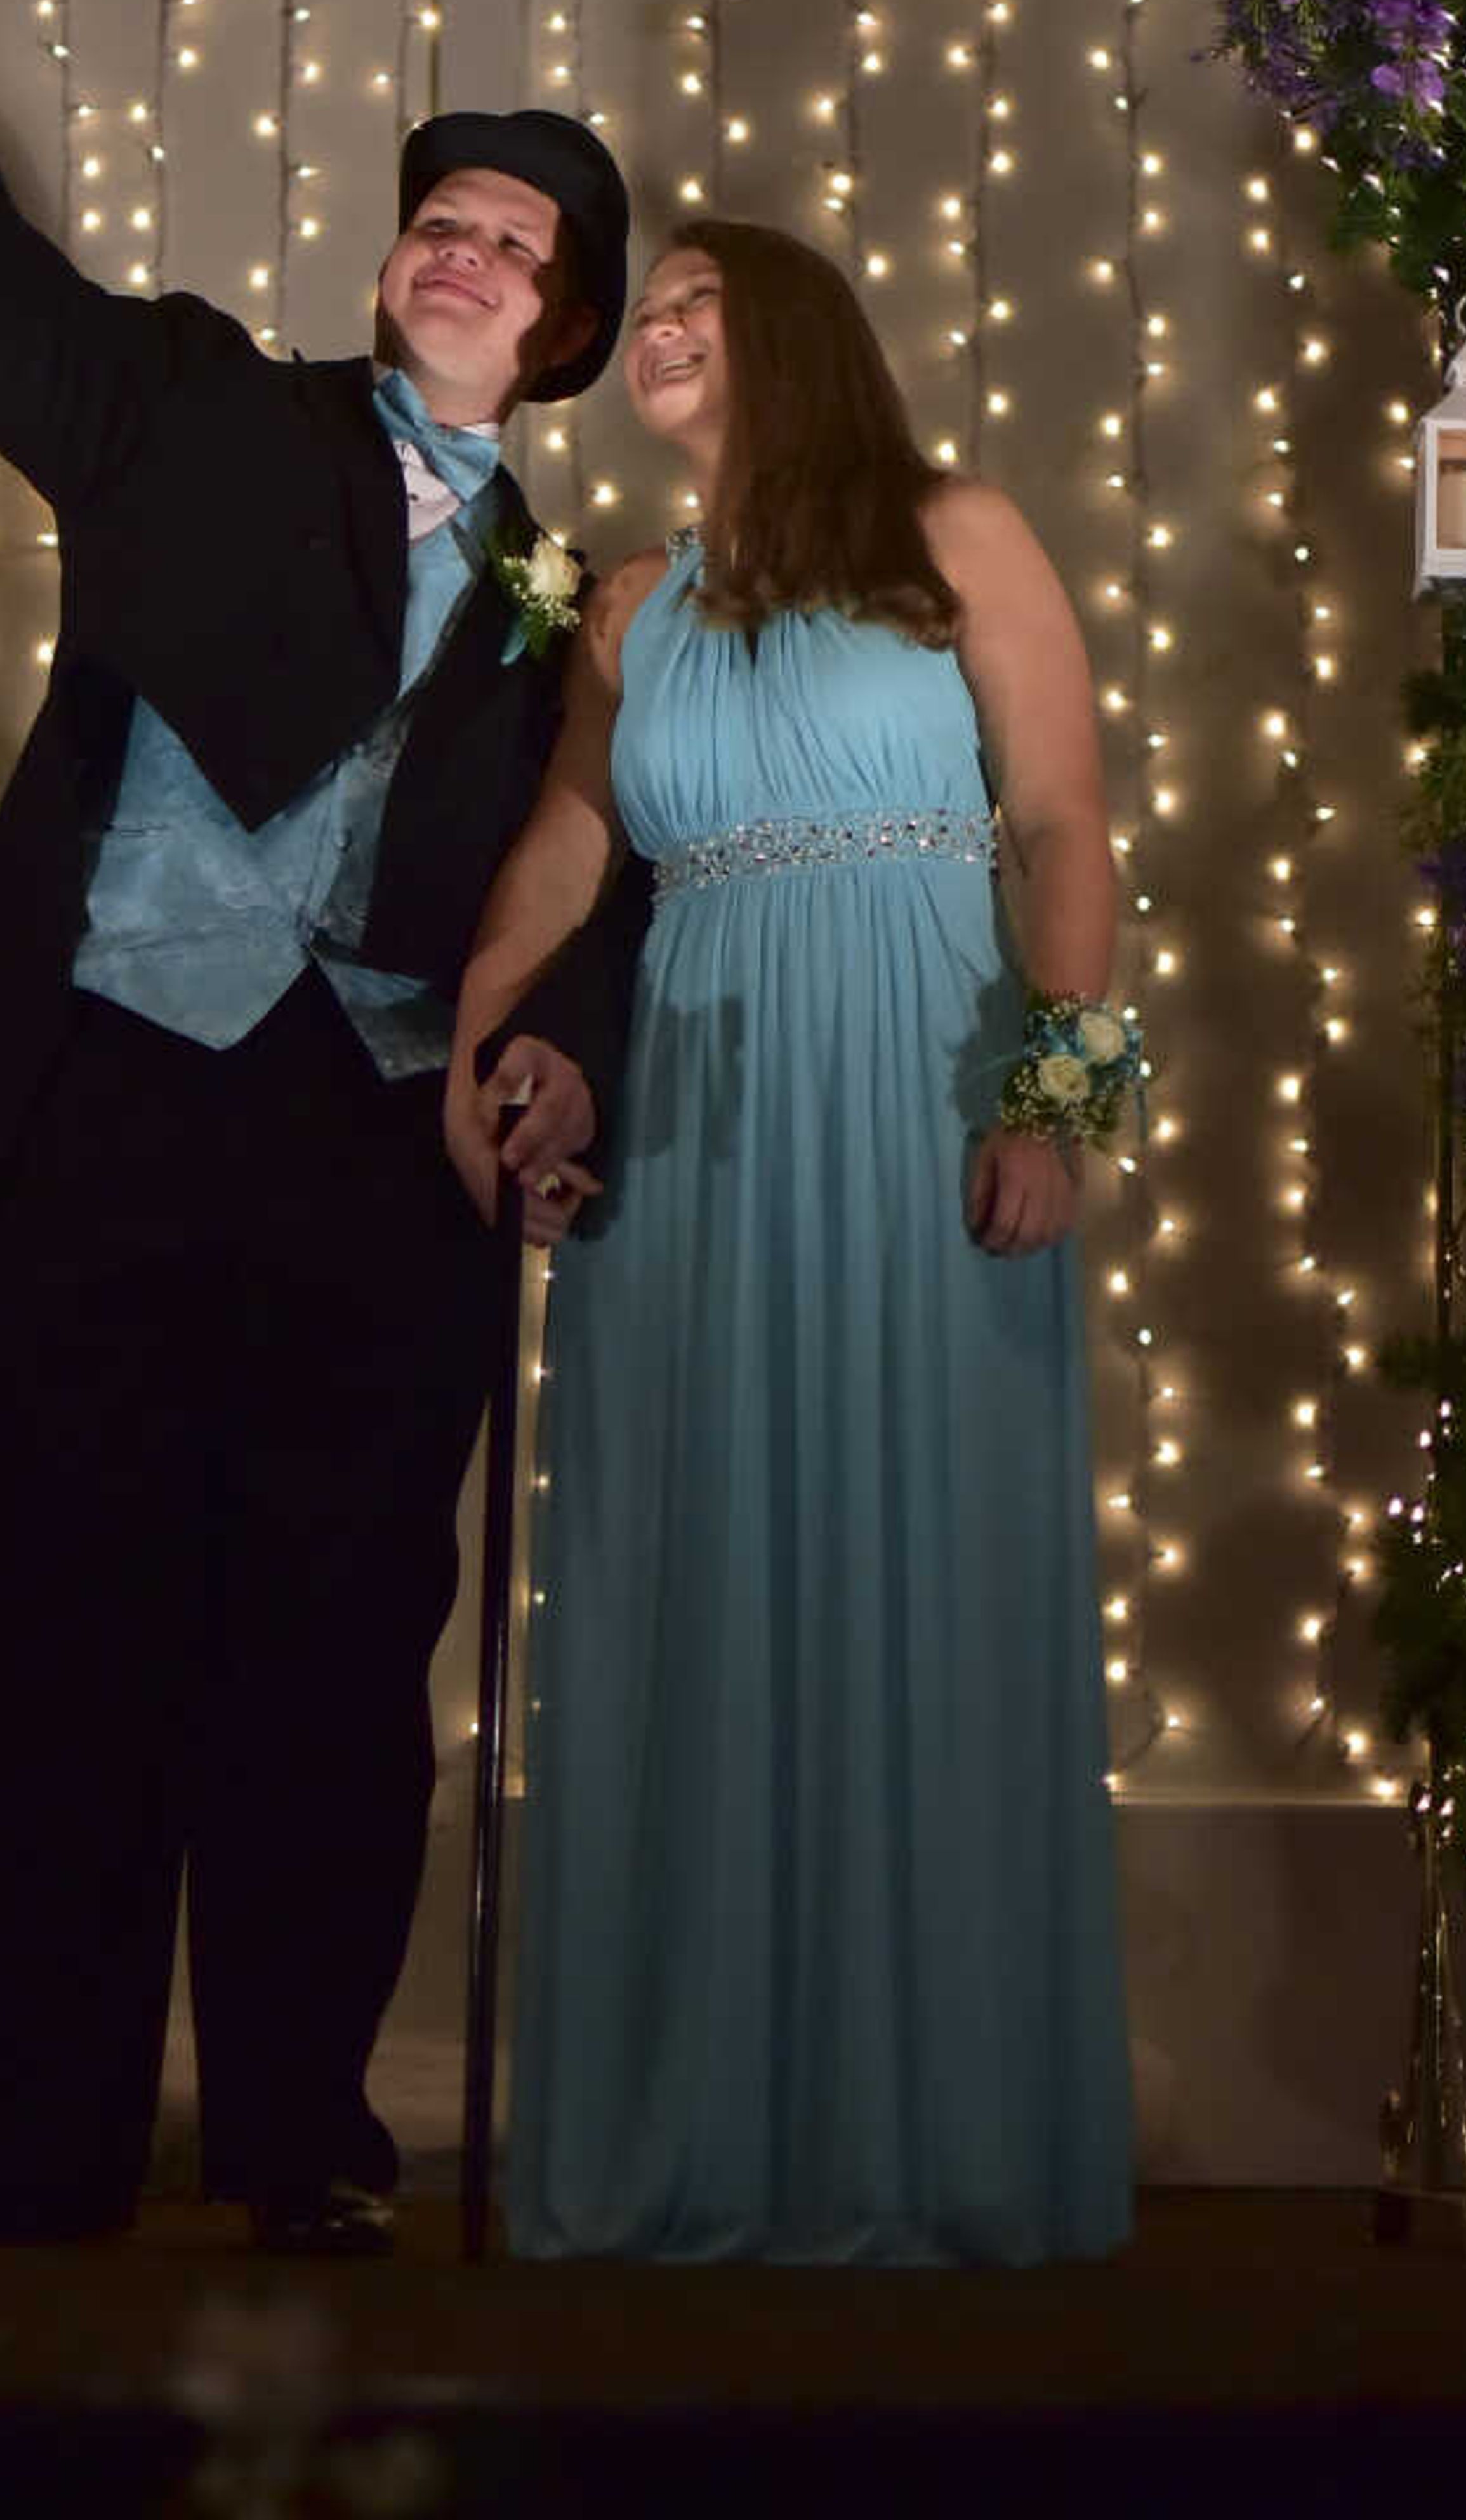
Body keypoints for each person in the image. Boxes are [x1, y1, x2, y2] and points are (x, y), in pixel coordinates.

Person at [0, 0, 628, 2254]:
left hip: (384, 1148)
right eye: (440, 217)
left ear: (559, 327)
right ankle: (35, 2138)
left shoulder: (593, 593)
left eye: (513, 243)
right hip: (111, 1098)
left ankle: (296, 2146)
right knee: (60, 1638)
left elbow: (604, 864)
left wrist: (565, 1055)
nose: (460, 251)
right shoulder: (193, 404)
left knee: (341, 1659)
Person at [447, 220, 1135, 2264]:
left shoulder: (957, 535)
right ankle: (707, 2132)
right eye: (642, 310)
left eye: (694, 303)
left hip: (923, 1099)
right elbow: (576, 837)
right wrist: (486, 1011)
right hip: (714, 1136)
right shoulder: (630, 601)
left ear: (801, 336)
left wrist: (1064, 1097)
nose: (653, 328)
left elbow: (1066, 822)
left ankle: (939, 2133)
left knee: (921, 1559)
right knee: (703, 1571)